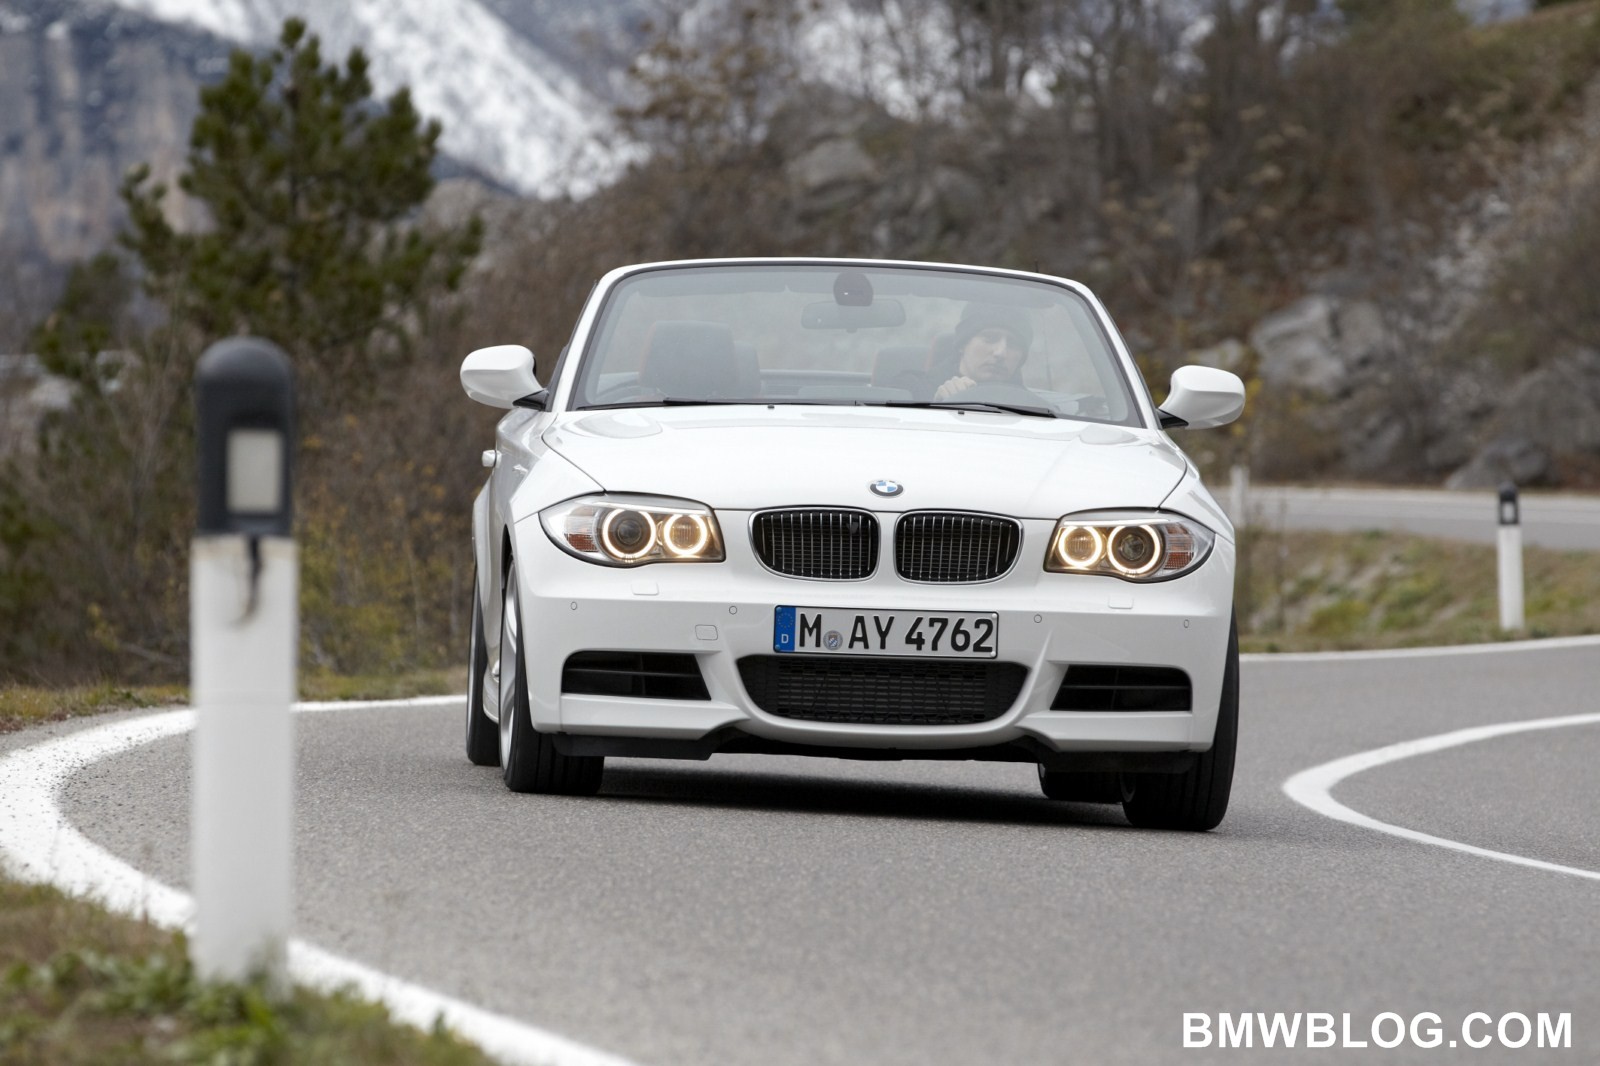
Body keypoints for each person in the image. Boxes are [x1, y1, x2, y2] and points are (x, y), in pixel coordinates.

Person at [931, 302, 1034, 401]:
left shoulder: (1035, 410)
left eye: (1013, 344)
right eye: (990, 338)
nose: (1000, 353)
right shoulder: (918, 394)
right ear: (962, 344)